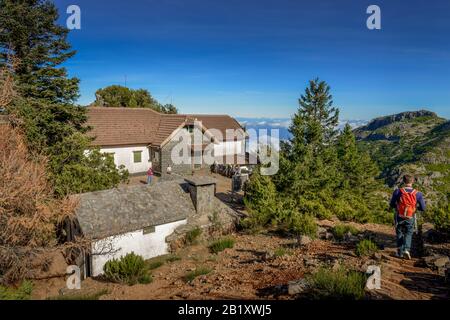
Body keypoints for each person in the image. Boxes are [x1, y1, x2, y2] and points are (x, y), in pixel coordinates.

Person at [389, 174, 426, 259]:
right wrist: (416, 208)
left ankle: (400, 252)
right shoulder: (418, 194)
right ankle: (407, 250)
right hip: (410, 216)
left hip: (399, 215)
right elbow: (423, 208)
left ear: (403, 181)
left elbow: (392, 204)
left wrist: (397, 207)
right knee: (409, 233)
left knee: (399, 232)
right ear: (413, 182)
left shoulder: (398, 191)